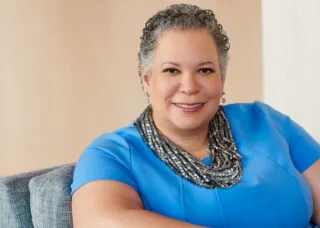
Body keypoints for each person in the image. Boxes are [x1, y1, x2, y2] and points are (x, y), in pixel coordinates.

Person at [71, 4, 320, 228]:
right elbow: (100, 221)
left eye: (204, 70)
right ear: (147, 79)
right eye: (171, 70)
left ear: (221, 77)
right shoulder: (111, 154)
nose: (189, 87)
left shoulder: (266, 121)